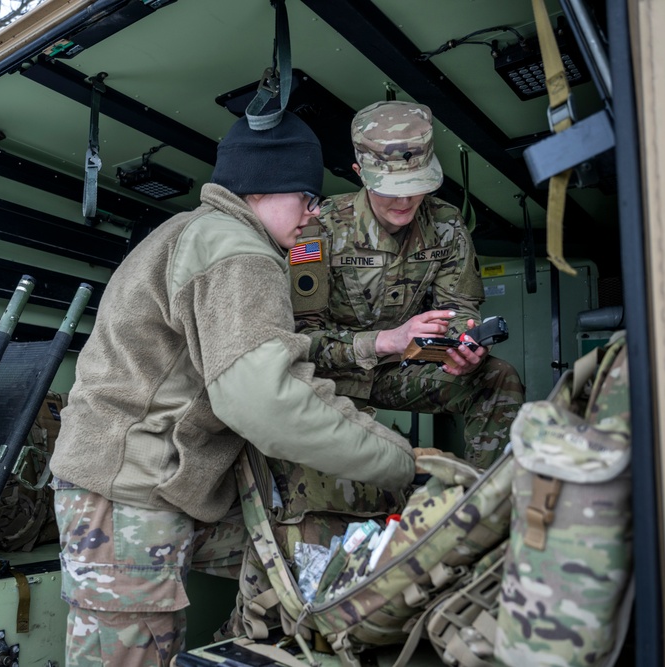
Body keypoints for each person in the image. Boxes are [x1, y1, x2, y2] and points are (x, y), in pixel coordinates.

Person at [49, 111, 416, 667]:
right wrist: (401, 462)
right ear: (266, 186)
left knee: (280, 555)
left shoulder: (192, 231)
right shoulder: (237, 251)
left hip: (133, 487)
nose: (314, 215)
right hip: (127, 500)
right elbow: (264, 399)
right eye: (308, 199)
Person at [292, 100, 525, 469]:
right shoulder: (317, 229)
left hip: (404, 366)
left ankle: (485, 502)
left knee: (497, 377)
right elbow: (301, 341)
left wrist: (461, 348)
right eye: (391, 188)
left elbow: (460, 310)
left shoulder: (446, 223)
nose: (405, 200)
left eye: (416, 185)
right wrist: (385, 340)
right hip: (330, 377)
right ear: (360, 174)